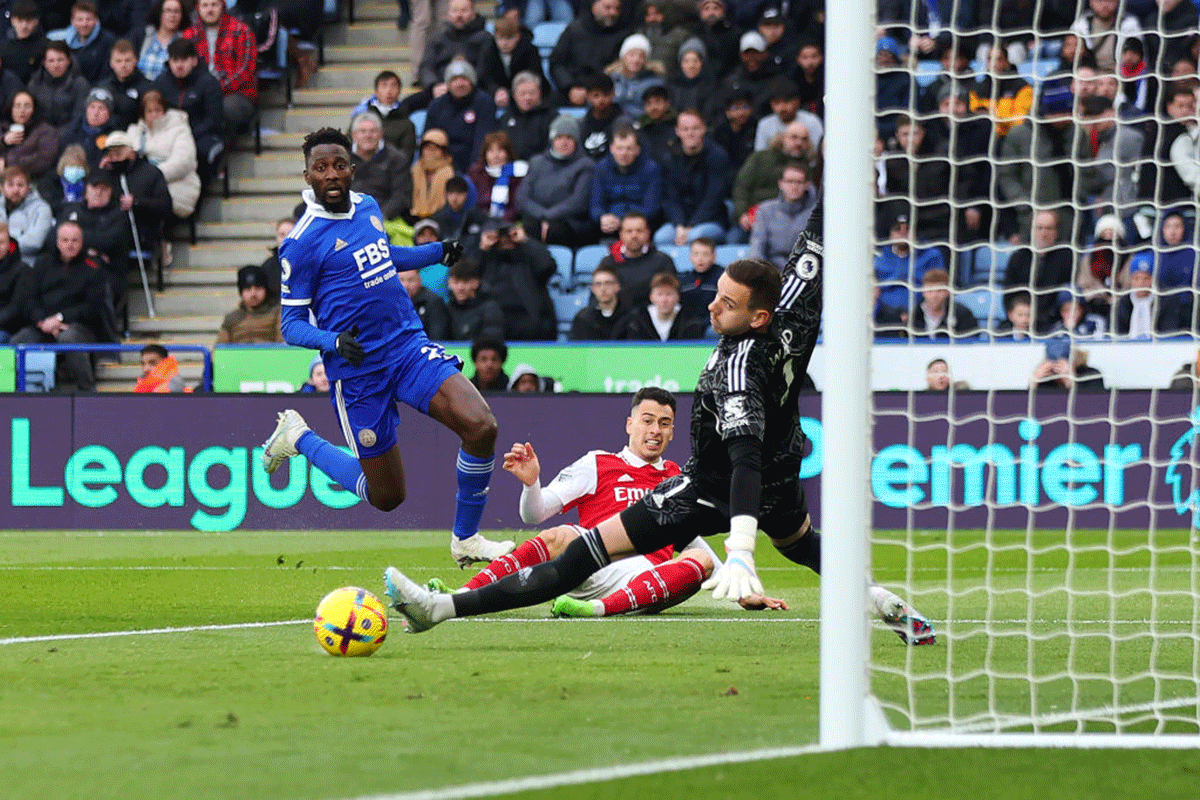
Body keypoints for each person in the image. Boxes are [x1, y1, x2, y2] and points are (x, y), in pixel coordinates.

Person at [384, 201, 937, 646]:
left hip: (714, 486)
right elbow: (815, 243)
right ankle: (883, 602)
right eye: (718, 293)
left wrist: (740, 549)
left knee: (581, 554)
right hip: (783, 473)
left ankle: (442, 608)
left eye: (728, 303)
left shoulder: (737, 367)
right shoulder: (794, 307)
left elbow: (741, 462)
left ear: (757, 319)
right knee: (803, 546)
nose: (714, 307)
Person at [261, 127, 514, 567]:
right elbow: (291, 325)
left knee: (482, 426)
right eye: (321, 168)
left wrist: (435, 252)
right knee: (387, 496)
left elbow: (384, 254)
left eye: (339, 164)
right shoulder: (300, 245)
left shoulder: (369, 207)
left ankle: (466, 539)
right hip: (359, 374)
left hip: (405, 346)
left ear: (352, 169)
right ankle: (298, 437)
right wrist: (332, 341)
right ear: (307, 177)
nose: (332, 174)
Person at [429, 388, 769, 618]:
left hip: (648, 579)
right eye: (647, 420)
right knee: (560, 534)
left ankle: (597, 610)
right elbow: (534, 515)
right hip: (588, 564)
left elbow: (692, 539)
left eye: (664, 424)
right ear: (630, 424)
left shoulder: (678, 477)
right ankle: (463, 593)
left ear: (673, 432)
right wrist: (531, 483)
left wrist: (741, 591)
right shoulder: (597, 463)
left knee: (698, 558)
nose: (655, 430)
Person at [8, 220, 110, 390]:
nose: (70, 245)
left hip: (78, 327)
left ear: (82, 242)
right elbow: (29, 299)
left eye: (74, 240)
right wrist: (41, 321)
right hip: (44, 326)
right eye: (65, 240)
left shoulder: (93, 267)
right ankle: (12, 391)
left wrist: (60, 319)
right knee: (18, 341)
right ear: (57, 242)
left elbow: (92, 307)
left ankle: (88, 391)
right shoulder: (42, 264)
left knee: (69, 338)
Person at [182, 0, 257, 144]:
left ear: (222, 7)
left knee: (221, 110)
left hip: (235, 94)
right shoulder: (189, 35)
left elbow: (245, 71)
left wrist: (214, 90)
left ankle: (219, 158)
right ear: (198, 8)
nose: (210, 10)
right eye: (205, 5)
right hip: (200, 93)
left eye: (214, 5)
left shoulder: (241, 30)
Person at [515, 114, 596, 248]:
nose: (564, 142)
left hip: (568, 222)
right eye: (559, 137)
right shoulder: (536, 162)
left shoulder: (586, 165)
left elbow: (578, 202)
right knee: (526, 229)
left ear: (576, 141)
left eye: (569, 137)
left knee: (556, 231)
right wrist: (542, 215)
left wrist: (550, 216)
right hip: (536, 220)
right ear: (552, 140)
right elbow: (522, 197)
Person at [154, 37, 225, 184]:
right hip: (169, 134)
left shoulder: (208, 83)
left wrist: (188, 134)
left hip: (201, 135)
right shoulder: (161, 83)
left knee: (198, 152)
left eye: (184, 60)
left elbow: (214, 120)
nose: (179, 65)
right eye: (175, 60)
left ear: (194, 61)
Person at [655, 109, 731, 246]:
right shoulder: (670, 158)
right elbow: (669, 198)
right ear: (677, 131)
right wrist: (679, 226)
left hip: (710, 220)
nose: (690, 133)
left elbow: (713, 199)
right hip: (679, 223)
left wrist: (690, 227)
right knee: (662, 238)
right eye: (685, 129)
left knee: (695, 237)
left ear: (704, 129)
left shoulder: (718, 157)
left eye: (695, 128)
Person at [59, 169, 134, 301]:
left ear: (111, 191)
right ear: (86, 190)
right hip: (69, 268)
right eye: (94, 187)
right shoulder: (71, 210)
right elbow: (52, 238)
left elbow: (108, 242)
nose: (99, 192)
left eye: (104, 188)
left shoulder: (119, 216)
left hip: (107, 274)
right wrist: (88, 250)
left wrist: (73, 238)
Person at [477, 216, 556, 340]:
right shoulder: (487, 260)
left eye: (508, 236)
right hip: (491, 323)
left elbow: (547, 266)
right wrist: (483, 248)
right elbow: (465, 276)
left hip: (530, 322)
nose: (504, 240)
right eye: (500, 237)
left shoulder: (528, 259)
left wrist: (526, 241)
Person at [98, 130, 174, 258]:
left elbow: (165, 206)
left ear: (132, 153)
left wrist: (137, 202)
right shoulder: (106, 174)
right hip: (110, 231)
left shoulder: (151, 173)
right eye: (111, 154)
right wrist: (100, 173)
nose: (114, 158)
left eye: (118, 154)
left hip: (141, 232)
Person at [127, 89, 201, 219]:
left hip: (177, 183)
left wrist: (152, 177)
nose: (154, 115)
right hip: (143, 186)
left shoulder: (179, 128)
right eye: (149, 111)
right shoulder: (134, 132)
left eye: (158, 110)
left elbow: (183, 162)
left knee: (148, 203)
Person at [548, 0, 630, 108]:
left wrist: (599, 92)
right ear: (594, 7)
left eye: (617, 9)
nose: (613, 13)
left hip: (608, 94)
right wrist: (570, 87)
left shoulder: (624, 34)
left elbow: (622, 68)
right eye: (607, 7)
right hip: (573, 89)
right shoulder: (574, 30)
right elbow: (557, 64)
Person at [425, 59, 498, 174]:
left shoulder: (484, 102)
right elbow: (430, 140)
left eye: (464, 79)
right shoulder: (436, 106)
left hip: (474, 166)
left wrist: (474, 170)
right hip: (443, 166)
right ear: (448, 84)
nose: (460, 83)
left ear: (472, 81)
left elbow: (483, 139)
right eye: (454, 79)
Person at [589, 125, 662, 239]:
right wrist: (601, 217)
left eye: (629, 148)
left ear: (637, 150)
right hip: (608, 224)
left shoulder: (651, 169)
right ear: (612, 148)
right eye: (619, 148)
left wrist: (622, 220)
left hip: (639, 225)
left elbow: (651, 209)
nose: (624, 153)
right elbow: (596, 204)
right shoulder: (602, 168)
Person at [873, 209, 945, 318]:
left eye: (907, 229)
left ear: (915, 231)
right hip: (883, 316)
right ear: (890, 233)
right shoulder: (878, 257)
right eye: (898, 229)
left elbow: (939, 289)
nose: (903, 234)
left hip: (920, 316)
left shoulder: (931, 255)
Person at [598, 211, 676, 309]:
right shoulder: (608, 263)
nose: (634, 235)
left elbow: (671, 296)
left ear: (648, 233)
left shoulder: (663, 261)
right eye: (629, 231)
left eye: (639, 231)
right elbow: (597, 297)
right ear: (621, 234)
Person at [748, 162, 817, 270]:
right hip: (771, 271)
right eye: (789, 181)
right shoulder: (765, 210)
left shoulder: (817, 213)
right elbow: (757, 245)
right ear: (780, 183)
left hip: (806, 270)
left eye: (799, 182)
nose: (794, 186)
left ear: (807, 184)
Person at [415, 0, 491, 96]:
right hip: (442, 91)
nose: (459, 15)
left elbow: (486, 70)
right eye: (455, 11)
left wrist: (461, 84)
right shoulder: (437, 38)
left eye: (464, 11)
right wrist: (434, 85)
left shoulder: (485, 39)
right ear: (448, 14)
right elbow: (426, 67)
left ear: (473, 13)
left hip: (475, 92)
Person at [347, 111, 411, 222]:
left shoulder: (397, 158)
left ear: (381, 133)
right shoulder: (343, 159)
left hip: (386, 218)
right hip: (348, 217)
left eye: (373, 131)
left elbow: (400, 196)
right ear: (353, 135)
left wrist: (379, 217)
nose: (368, 136)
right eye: (362, 131)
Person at [474, 15, 548, 110]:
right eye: (500, 38)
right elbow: (484, 76)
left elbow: (533, 75)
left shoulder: (529, 50)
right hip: (495, 95)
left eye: (508, 38)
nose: (504, 43)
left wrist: (510, 93)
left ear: (517, 37)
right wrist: (497, 91)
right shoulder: (488, 49)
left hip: (524, 95)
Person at [613, 270, 707, 341]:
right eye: (660, 294)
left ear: (677, 297)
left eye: (669, 294)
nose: (664, 300)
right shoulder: (637, 319)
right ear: (651, 297)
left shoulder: (689, 319)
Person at [351, 71, 417, 161]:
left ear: (399, 90)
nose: (389, 91)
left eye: (393, 86)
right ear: (376, 91)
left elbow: (407, 156)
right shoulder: (363, 118)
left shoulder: (407, 124)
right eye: (384, 86)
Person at [26, 41, 91, 132]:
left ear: (68, 61)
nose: (56, 65)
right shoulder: (35, 83)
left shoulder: (80, 84)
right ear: (44, 63)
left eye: (60, 60)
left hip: (70, 136)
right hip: (40, 135)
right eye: (51, 61)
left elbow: (79, 118)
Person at [46, 1, 116, 84]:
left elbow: (108, 74)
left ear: (96, 20)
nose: (84, 24)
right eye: (80, 20)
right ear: (72, 21)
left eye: (88, 19)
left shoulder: (108, 40)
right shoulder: (61, 41)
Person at [0, 91, 60, 183]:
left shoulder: (46, 131)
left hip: (33, 181)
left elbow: (44, 160)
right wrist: (3, 142)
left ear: (34, 109)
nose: (22, 110)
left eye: (27, 106)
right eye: (17, 106)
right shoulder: (2, 127)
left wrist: (8, 163)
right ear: (11, 108)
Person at [467, 131, 526, 224]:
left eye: (500, 150)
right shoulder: (476, 173)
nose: (496, 155)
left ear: (508, 152)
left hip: (509, 224)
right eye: (491, 150)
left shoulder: (519, 174)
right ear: (485, 154)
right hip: (479, 224)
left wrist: (499, 223)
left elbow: (518, 206)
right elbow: (471, 205)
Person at [496, 70, 555, 162]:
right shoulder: (505, 118)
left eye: (532, 93)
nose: (527, 97)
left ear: (539, 93)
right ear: (514, 95)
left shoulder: (551, 117)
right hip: (509, 168)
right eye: (522, 93)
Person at [1, 164, 54, 266]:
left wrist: (5, 246)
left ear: (28, 187)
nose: (16, 190)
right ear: (2, 188)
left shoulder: (42, 209)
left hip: (25, 265)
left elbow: (35, 242)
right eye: (11, 185)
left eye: (20, 185)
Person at [216, 264, 283, 344]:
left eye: (258, 288)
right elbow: (220, 349)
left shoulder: (277, 314)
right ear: (241, 292)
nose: (253, 294)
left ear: (266, 290)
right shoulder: (232, 318)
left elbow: (283, 346)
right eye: (248, 289)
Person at [99, 39, 156, 131]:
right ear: (111, 63)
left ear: (136, 61)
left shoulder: (148, 88)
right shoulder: (103, 88)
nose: (123, 65)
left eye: (128, 60)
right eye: (118, 61)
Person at [909, 268, 980, 340]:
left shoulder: (963, 315)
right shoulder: (913, 316)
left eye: (940, 291)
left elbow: (970, 343)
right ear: (923, 291)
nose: (934, 296)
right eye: (930, 291)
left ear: (948, 292)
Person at [608, 33, 665, 120]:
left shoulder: (655, 82)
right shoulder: (612, 79)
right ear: (623, 56)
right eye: (632, 55)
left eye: (641, 56)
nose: (636, 60)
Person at [445, 258, 504, 341]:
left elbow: (491, 341)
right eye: (456, 282)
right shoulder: (446, 309)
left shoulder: (490, 309)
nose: (460, 287)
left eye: (465, 282)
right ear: (449, 283)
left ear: (476, 283)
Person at [568, 263, 627, 341]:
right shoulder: (583, 319)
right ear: (593, 289)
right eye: (598, 284)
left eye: (608, 283)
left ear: (617, 286)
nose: (603, 289)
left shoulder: (630, 318)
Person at [137, 0, 188, 81]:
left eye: (176, 11)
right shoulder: (144, 35)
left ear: (182, 15)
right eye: (168, 11)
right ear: (160, 13)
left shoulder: (185, 40)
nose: (172, 15)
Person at [1031, 337, 1106, 392]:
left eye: (1064, 361)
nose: (1058, 366)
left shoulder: (1092, 376)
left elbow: (1094, 404)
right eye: (1054, 361)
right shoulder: (1045, 380)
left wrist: (1070, 382)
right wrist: (1034, 381)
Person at [1, 1, 47, 85]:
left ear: (36, 21)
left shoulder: (45, 47)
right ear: (12, 21)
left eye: (28, 21)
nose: (24, 26)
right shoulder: (3, 48)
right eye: (20, 20)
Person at [399, 266, 450, 340]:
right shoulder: (390, 301)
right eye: (401, 280)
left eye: (411, 280)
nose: (405, 285)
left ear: (419, 281)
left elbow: (437, 336)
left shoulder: (433, 302)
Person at [0, 220, 26, 342]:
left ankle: (5, 362)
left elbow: (15, 308)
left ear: (9, 244)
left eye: (1, 243)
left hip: (8, 329)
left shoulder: (21, 270)